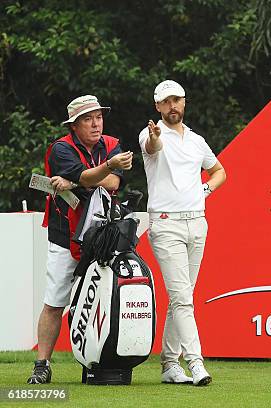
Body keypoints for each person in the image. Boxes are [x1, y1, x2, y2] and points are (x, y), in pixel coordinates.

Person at [27, 95, 133, 384]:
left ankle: (98, 361)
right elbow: (89, 176)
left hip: (104, 235)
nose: (96, 123)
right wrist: (94, 173)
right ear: (74, 125)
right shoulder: (61, 149)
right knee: (55, 301)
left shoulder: (110, 145)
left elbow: (114, 182)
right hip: (65, 235)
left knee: (104, 298)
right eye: (88, 119)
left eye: (98, 117)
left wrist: (78, 180)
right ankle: (42, 364)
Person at [139, 80, 226, 386]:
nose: (173, 106)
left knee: (183, 298)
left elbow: (219, 171)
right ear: (158, 106)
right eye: (167, 101)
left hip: (197, 222)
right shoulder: (150, 135)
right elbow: (153, 147)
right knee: (182, 299)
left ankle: (169, 365)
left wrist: (203, 191)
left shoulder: (197, 140)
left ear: (184, 103)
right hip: (166, 225)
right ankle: (196, 363)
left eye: (177, 100)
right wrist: (154, 138)